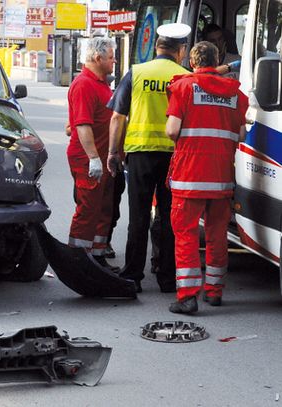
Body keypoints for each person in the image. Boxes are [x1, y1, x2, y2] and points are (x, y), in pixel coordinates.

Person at [106, 23, 191, 293]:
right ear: (181, 51)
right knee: (168, 217)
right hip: (174, 157)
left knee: (139, 216)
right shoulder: (186, 77)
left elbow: (118, 117)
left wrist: (112, 152)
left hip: (140, 154)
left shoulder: (137, 73)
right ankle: (167, 278)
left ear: (156, 47)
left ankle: (133, 275)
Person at [165, 41, 248, 314]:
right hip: (222, 177)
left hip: (189, 177)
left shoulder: (183, 87)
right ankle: (214, 291)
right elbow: (241, 136)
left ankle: (187, 296)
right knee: (217, 235)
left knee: (186, 235)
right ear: (217, 59)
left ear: (192, 62)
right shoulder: (236, 94)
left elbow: (171, 130)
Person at [66, 37, 119, 271]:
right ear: (98, 58)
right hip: (89, 159)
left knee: (103, 208)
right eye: (111, 57)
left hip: (103, 158)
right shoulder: (84, 84)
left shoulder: (100, 83)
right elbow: (83, 125)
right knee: (88, 209)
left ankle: (97, 258)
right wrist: (94, 158)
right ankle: (78, 260)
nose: (114, 61)